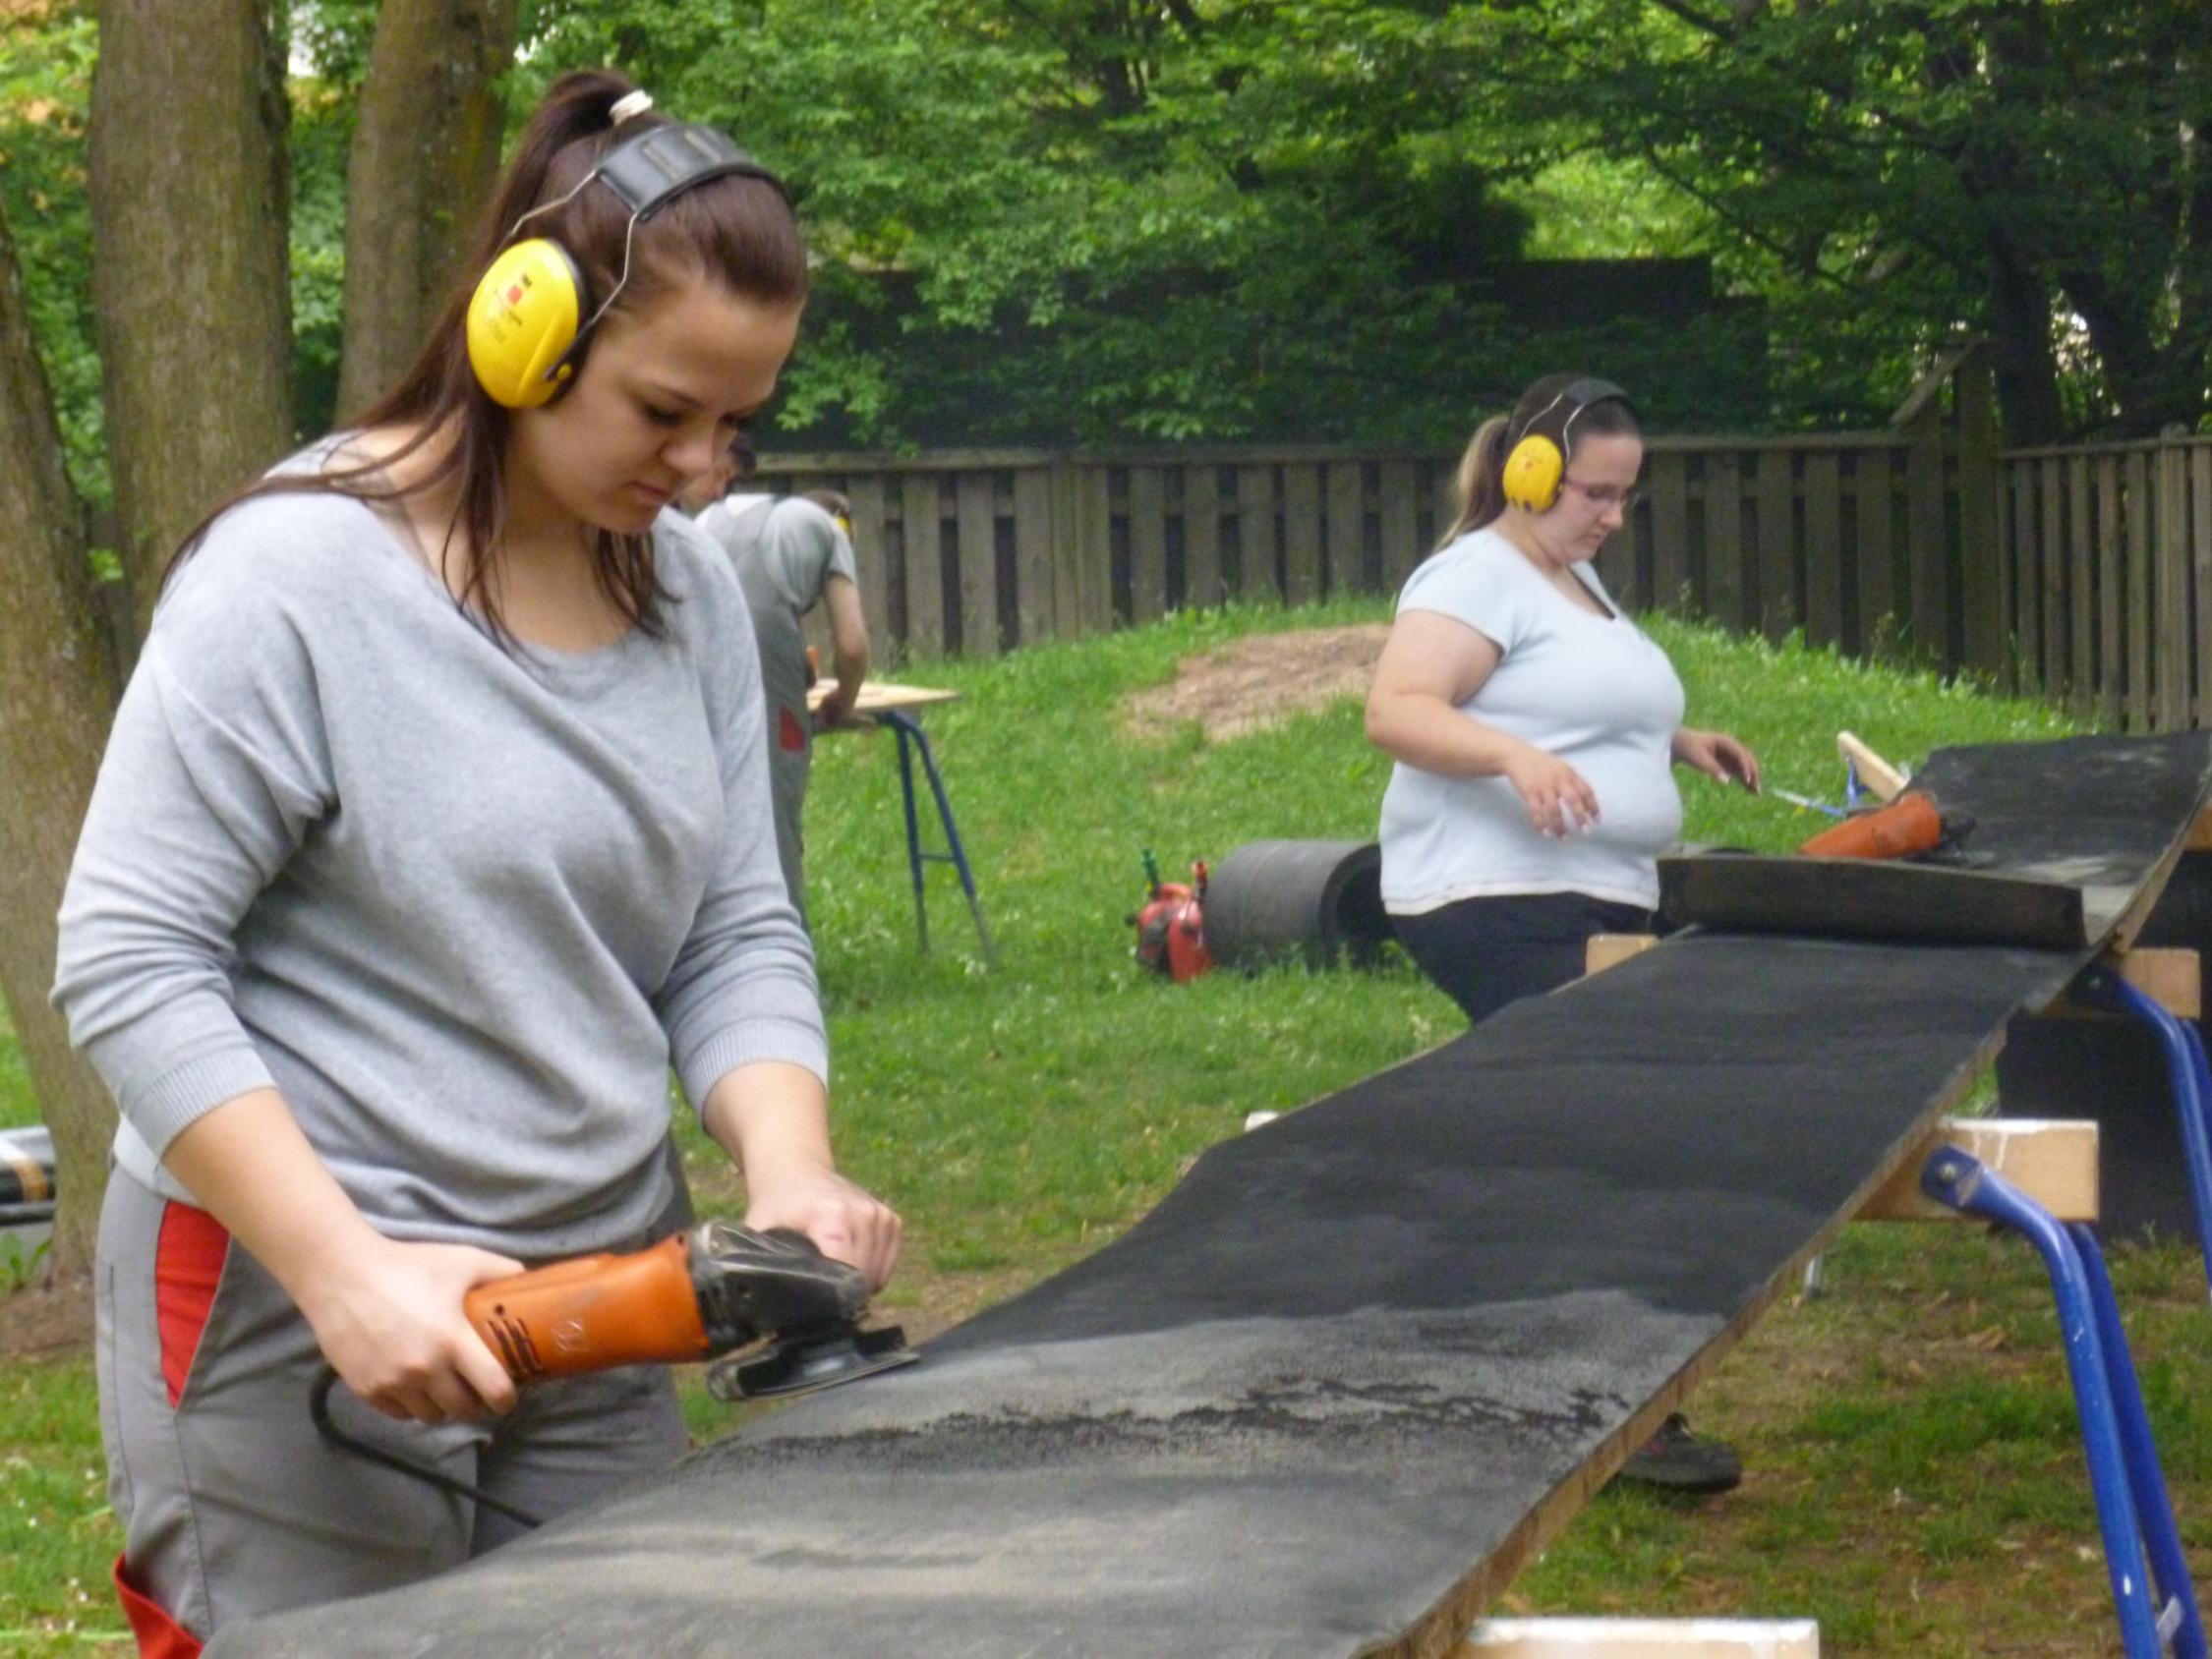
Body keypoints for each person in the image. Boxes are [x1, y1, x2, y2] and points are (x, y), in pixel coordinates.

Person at [50, 72, 900, 1653]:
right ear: (525, 337)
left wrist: (789, 1171)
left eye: (739, 423)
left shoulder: (695, 603)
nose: (707, 467)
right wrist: (342, 1270)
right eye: (665, 411)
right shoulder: (295, 575)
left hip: (601, 1295)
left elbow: (730, 930)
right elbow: (128, 954)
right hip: (286, 1298)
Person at [1363, 372, 1758, 1494]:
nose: (1613, 517)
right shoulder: (1473, 574)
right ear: (1530, 472)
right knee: (1603, 1126)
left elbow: (1580, 696)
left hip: (1597, 891)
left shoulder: (1571, 575)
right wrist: (1513, 757)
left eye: (1627, 495)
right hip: (1491, 894)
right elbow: (1397, 709)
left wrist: (1677, 740)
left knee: (1589, 1121)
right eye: (1595, 491)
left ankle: (1511, 1350)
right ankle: (1596, 1406)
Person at [685, 467, 872, 923]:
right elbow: (852, 645)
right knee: (772, 811)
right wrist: (843, 700)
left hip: (689, 644)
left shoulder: (713, 517)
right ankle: (783, 953)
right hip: (763, 651)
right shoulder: (830, 529)